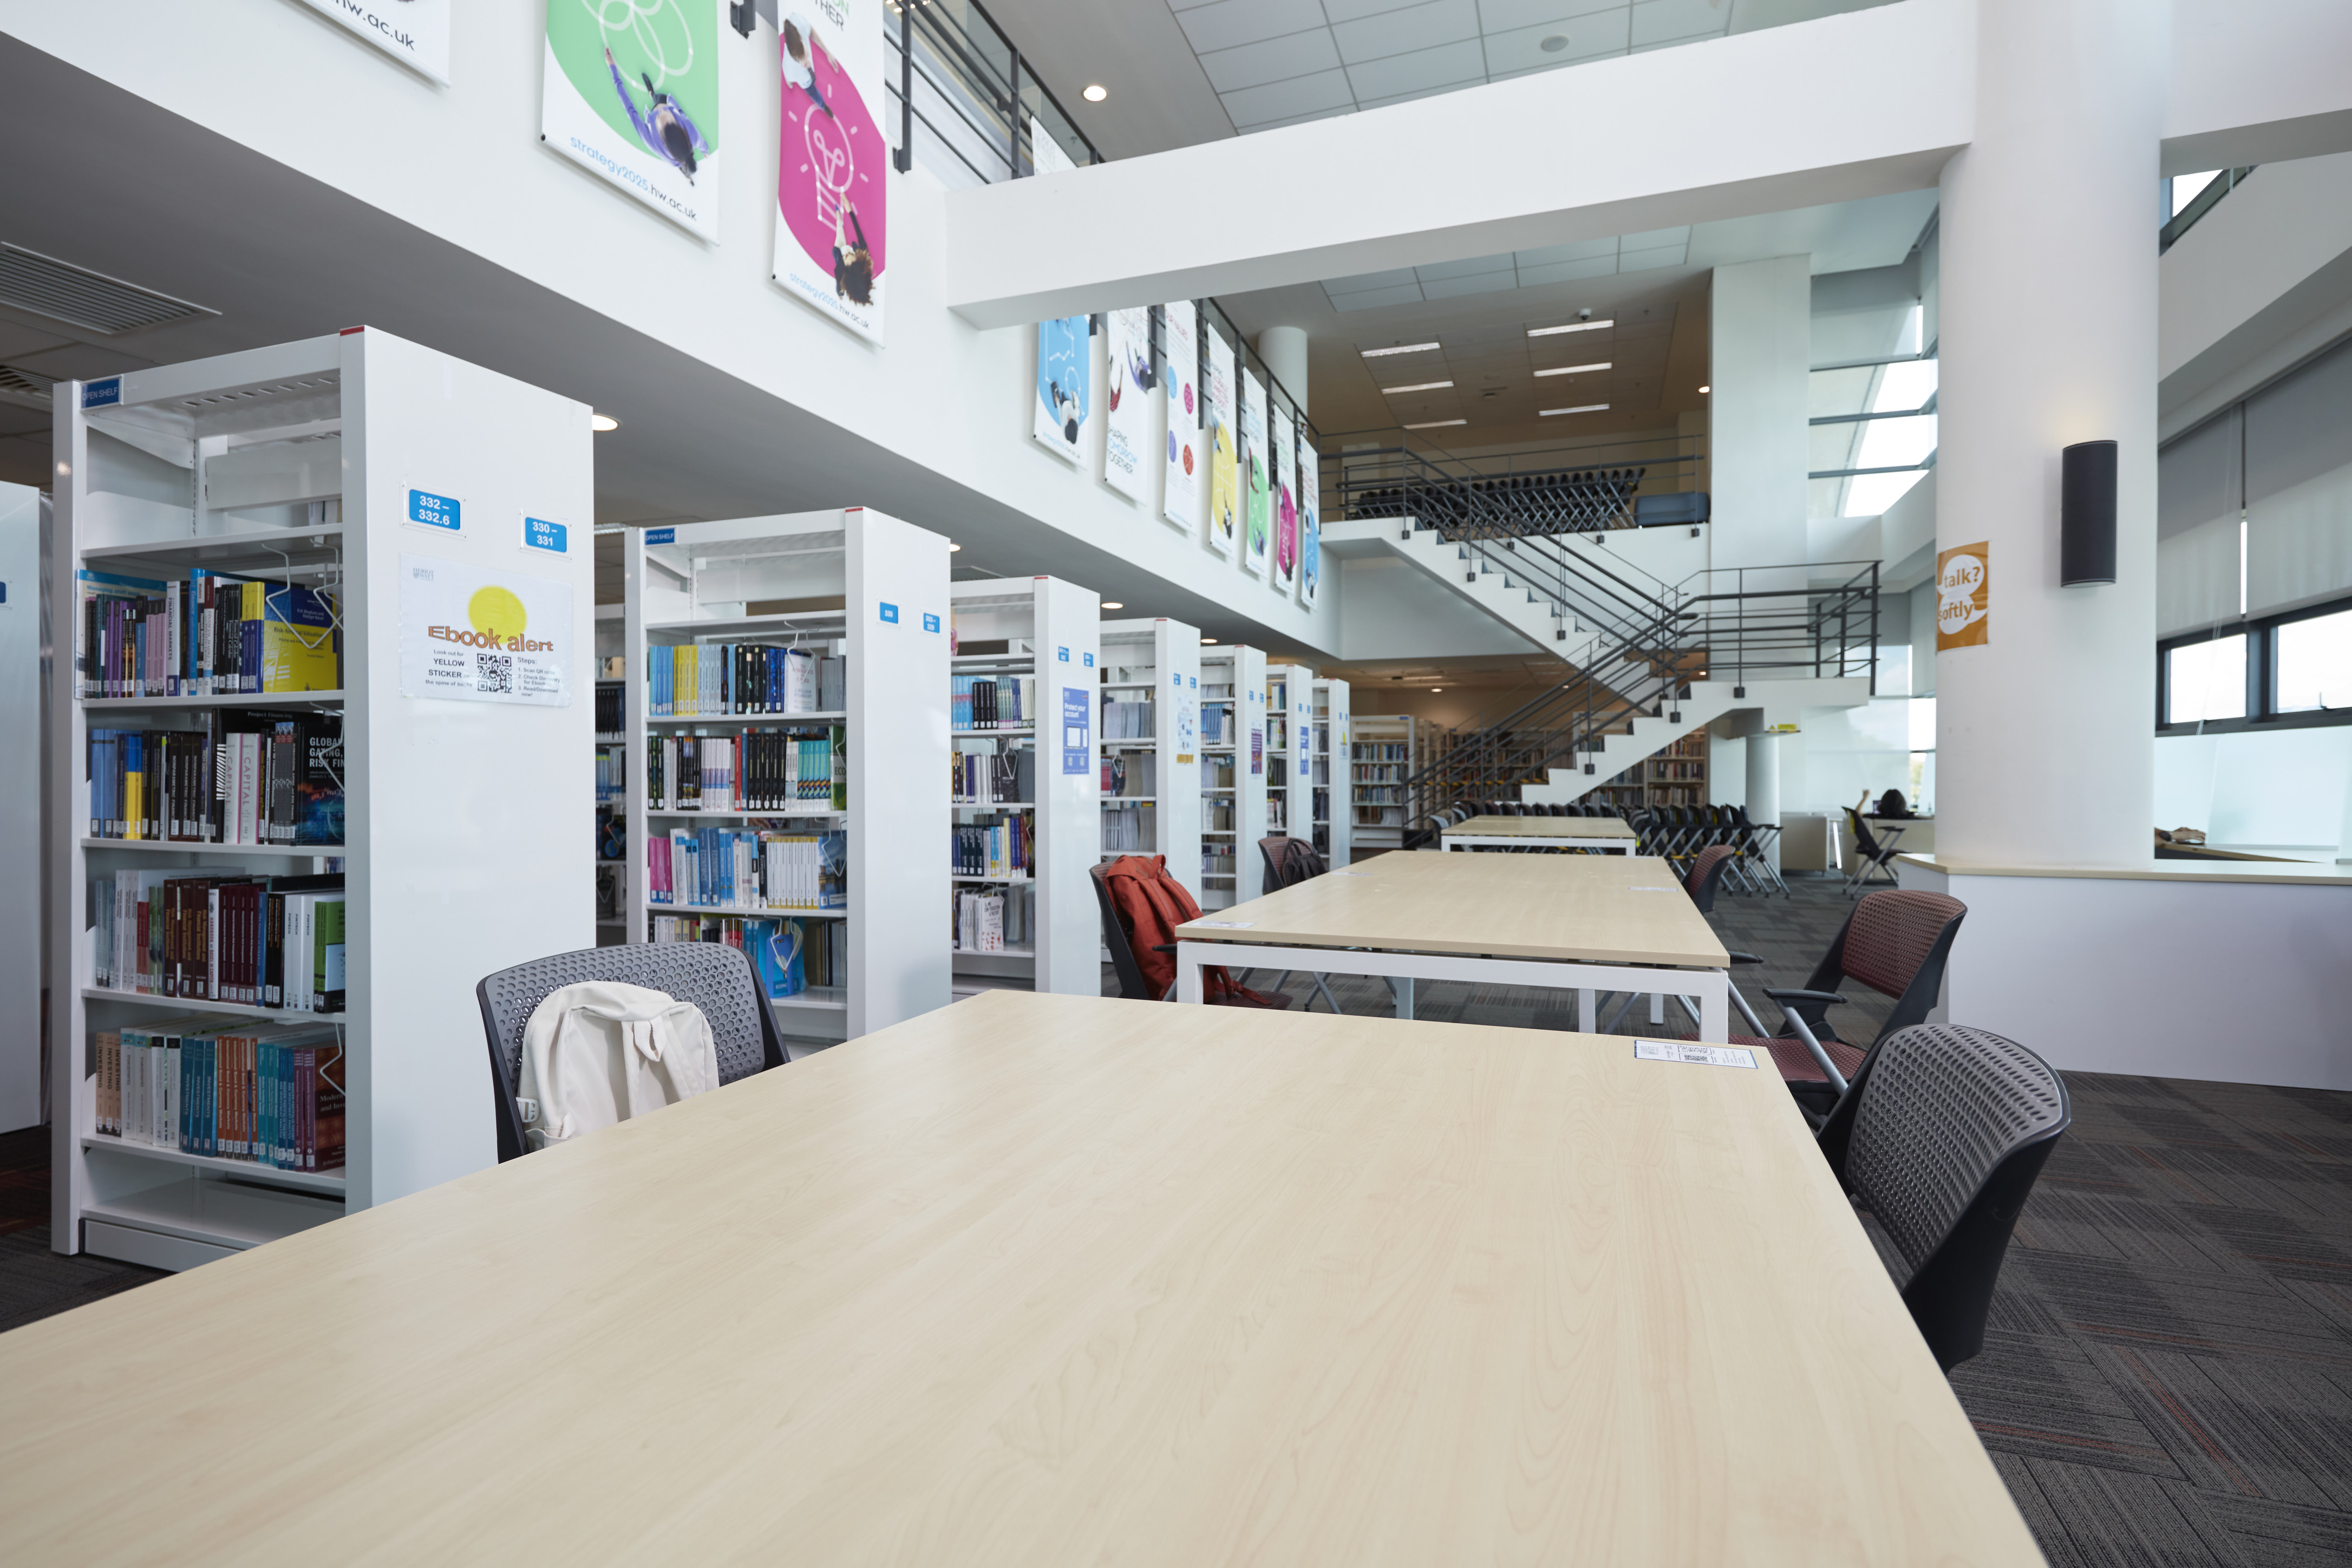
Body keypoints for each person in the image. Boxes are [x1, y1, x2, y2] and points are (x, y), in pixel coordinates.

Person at [605, 48, 708, 182]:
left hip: (670, 150)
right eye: (664, 111)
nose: (660, 110)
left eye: (661, 115)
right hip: (667, 107)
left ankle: (687, 175)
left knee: (678, 164)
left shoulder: (651, 141)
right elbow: (700, 142)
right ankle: (652, 94)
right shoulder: (692, 135)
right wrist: (706, 151)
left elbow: (629, 109)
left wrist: (612, 68)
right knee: (658, 98)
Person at [782, 15, 837, 121]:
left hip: (804, 74)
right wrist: (790, 83)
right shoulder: (791, 70)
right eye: (805, 63)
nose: (809, 63)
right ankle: (823, 106)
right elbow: (788, 79)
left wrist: (827, 53)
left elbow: (810, 31)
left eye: (807, 56)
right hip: (806, 83)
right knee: (813, 93)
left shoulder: (799, 23)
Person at [831, 198, 874, 306]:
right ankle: (839, 220)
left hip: (839, 250)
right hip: (851, 255)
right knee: (843, 235)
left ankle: (839, 220)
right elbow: (859, 232)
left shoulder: (840, 270)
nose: (848, 254)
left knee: (840, 231)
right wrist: (850, 211)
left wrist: (840, 293)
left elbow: (838, 284)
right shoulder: (863, 254)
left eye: (847, 257)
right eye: (851, 255)